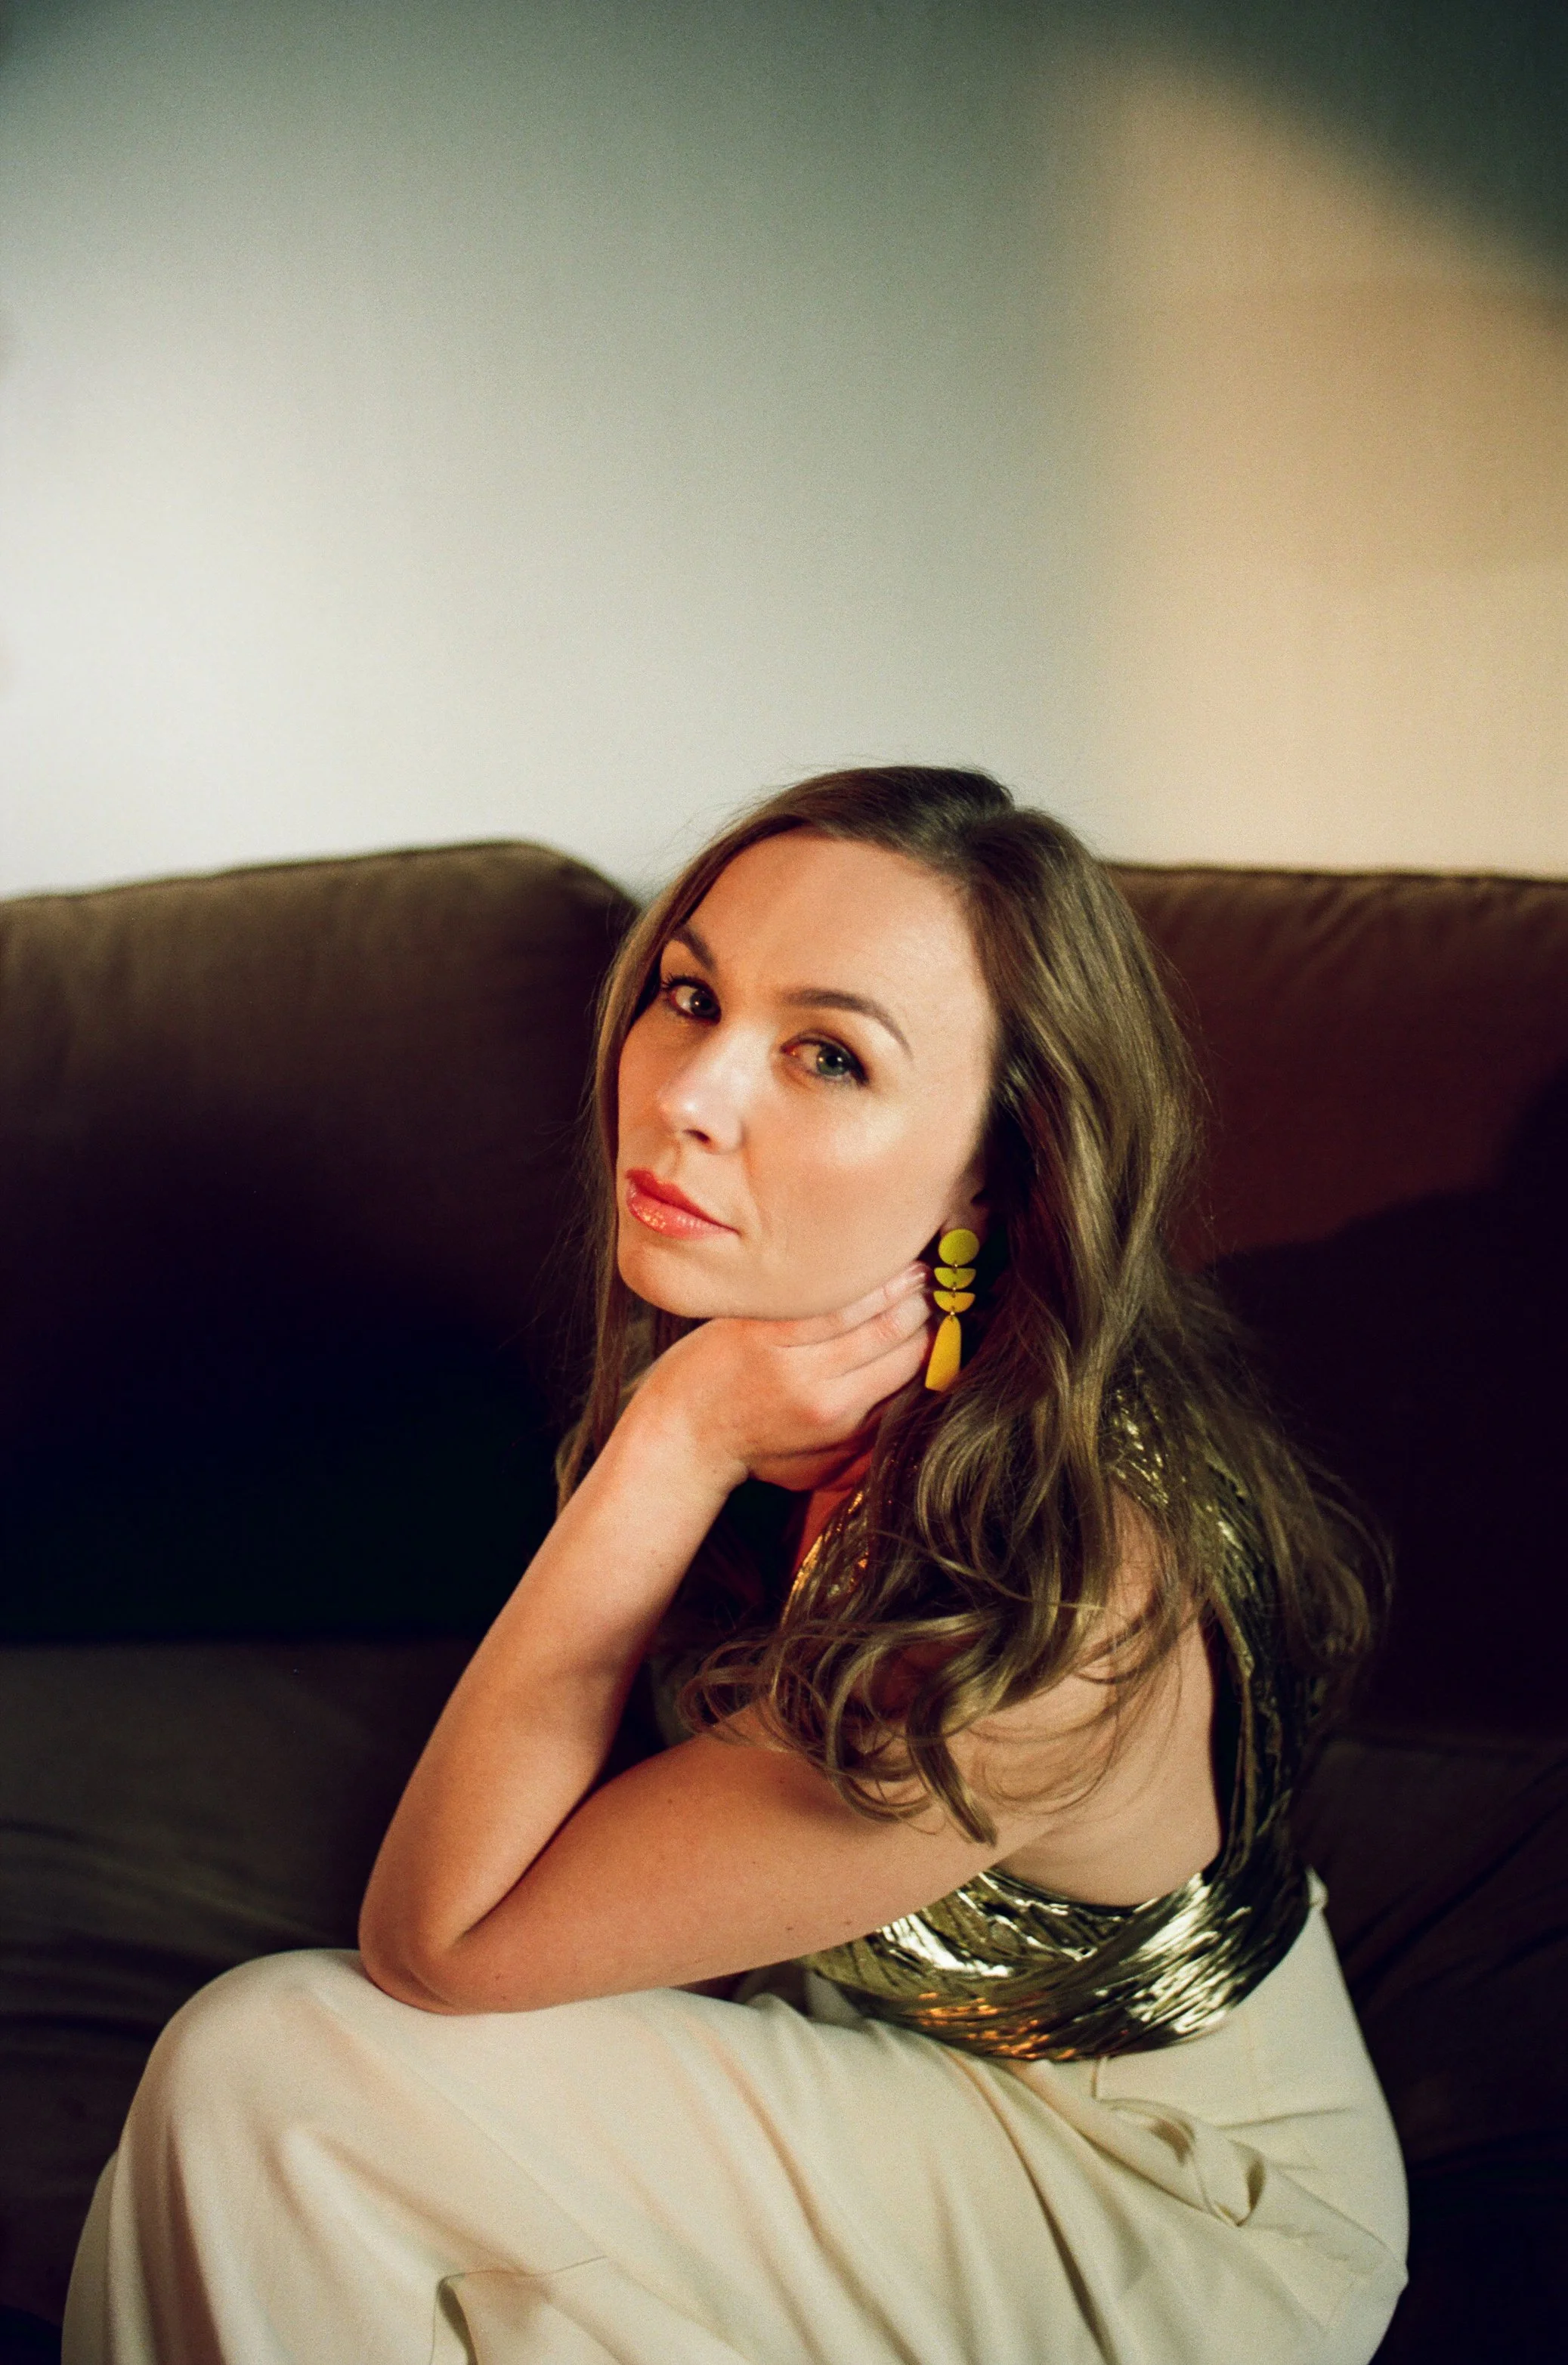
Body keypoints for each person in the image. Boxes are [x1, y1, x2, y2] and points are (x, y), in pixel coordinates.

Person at [63, 768, 1407, 2364]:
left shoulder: (1047, 1601)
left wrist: (668, 1440)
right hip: (875, 2065)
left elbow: (439, 1942)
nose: (690, 1090)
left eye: (826, 1053)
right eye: (688, 994)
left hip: (1158, 2211)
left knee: (272, 2066)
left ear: (996, 1163)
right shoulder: (813, 1378)